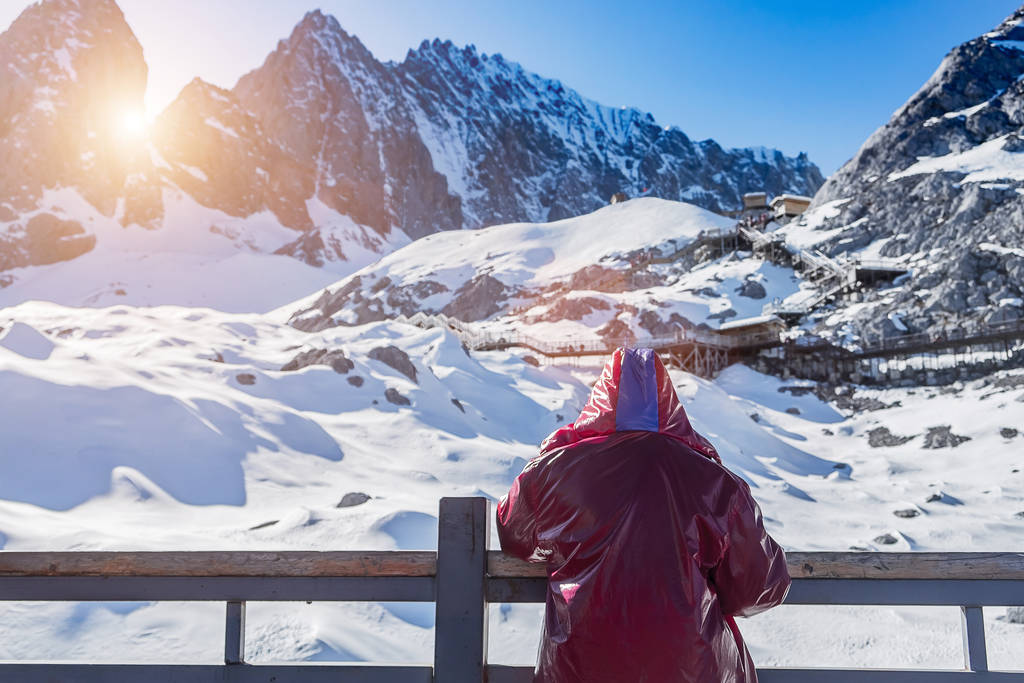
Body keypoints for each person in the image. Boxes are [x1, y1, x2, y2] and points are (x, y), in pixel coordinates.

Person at [497, 348, 790, 683]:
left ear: (600, 401)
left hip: (578, 667)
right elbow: (757, 585)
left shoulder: (553, 473)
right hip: (690, 670)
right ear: (670, 405)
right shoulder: (715, 482)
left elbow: (514, 534)